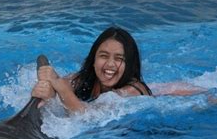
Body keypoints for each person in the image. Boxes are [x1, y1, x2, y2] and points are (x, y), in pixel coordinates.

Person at [32, 26, 207, 112]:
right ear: (93, 60)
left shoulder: (131, 91)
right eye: (103, 56)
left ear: (129, 65)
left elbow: (86, 117)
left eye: (119, 59)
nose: (110, 65)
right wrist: (50, 91)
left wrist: (61, 89)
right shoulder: (84, 78)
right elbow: (62, 84)